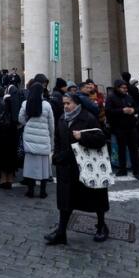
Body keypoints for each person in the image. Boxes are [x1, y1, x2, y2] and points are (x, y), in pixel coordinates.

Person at [45, 94, 109, 245]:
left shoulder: (88, 118)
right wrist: (57, 157)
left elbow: (100, 139)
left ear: (77, 104)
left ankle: (101, 226)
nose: (66, 106)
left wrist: (82, 137)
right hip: (66, 166)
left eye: (69, 103)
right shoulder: (62, 118)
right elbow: (58, 139)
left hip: (86, 167)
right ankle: (61, 232)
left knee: (95, 197)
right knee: (65, 201)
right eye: (64, 104)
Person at [18, 75, 53, 198]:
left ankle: (30, 190)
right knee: (44, 167)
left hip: (30, 138)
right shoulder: (47, 106)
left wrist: (27, 124)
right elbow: (51, 124)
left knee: (31, 165)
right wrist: (51, 138)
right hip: (43, 138)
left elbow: (20, 119)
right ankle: (43, 191)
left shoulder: (25, 103)